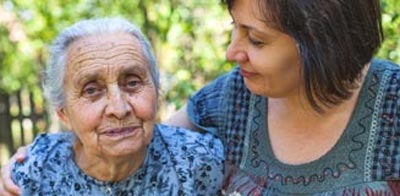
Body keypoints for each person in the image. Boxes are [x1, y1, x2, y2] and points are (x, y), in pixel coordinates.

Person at [2, 0, 400, 195]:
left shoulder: (393, 103)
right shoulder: (233, 98)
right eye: (235, 29)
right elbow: (136, 139)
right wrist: (23, 167)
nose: (231, 51)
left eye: (256, 39)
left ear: (322, 44)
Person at [1, 18, 224, 196]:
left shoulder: (198, 161)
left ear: (156, 93)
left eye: (133, 83)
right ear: (64, 113)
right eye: (91, 90)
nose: (119, 108)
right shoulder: (33, 174)